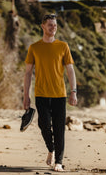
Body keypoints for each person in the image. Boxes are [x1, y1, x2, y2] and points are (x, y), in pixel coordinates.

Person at [23, 14, 77, 172]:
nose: (53, 28)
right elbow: (27, 73)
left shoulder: (63, 46)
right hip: (41, 93)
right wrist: (26, 96)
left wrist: (73, 91)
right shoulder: (34, 47)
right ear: (43, 26)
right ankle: (51, 149)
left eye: (55, 25)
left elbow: (70, 70)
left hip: (60, 94)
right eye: (50, 25)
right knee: (44, 125)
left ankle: (58, 162)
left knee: (59, 128)